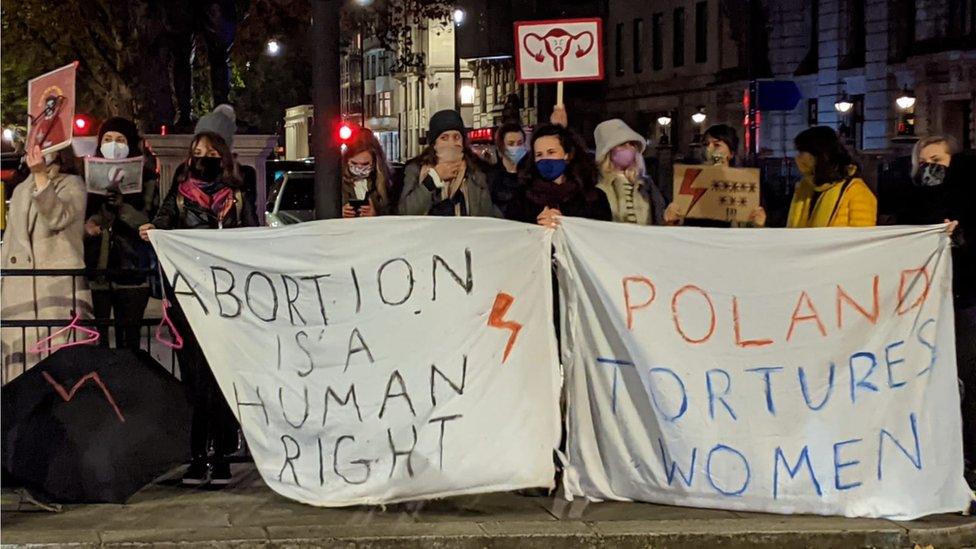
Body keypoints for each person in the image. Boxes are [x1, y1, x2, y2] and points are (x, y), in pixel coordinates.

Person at [139, 131, 257, 486]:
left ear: (223, 157)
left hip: (224, 300)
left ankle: (221, 455)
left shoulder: (235, 198)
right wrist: (151, 232)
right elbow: (161, 229)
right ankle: (196, 456)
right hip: (188, 299)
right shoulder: (178, 198)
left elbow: (251, 237)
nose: (202, 157)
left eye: (210, 152)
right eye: (197, 152)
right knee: (193, 379)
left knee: (220, 377)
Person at [901, 135, 975, 487]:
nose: (931, 167)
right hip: (925, 304)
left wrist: (958, 235)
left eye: (939, 161)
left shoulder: (967, 199)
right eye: (924, 160)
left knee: (966, 375)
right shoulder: (911, 200)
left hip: (963, 300)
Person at [1, 145, 91, 382]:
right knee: (20, 376)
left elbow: (57, 217)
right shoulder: (21, 189)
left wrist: (41, 175)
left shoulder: (72, 184)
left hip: (57, 293)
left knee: (61, 375)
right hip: (20, 296)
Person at [84, 117, 159, 350]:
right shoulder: (87, 175)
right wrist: (90, 225)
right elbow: (84, 214)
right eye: (107, 139)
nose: (113, 144)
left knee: (130, 338)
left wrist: (123, 206)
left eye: (119, 139)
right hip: (99, 269)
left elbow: (149, 220)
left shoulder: (147, 178)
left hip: (132, 268)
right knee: (99, 336)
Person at [506, 123, 611, 227]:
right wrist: (536, 225)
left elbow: (600, 235)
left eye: (551, 152)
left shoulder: (592, 197)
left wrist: (565, 224)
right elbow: (513, 235)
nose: (545, 159)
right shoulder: (521, 199)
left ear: (567, 155)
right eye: (539, 154)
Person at [398, 110, 498, 217]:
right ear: (434, 144)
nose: (451, 143)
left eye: (456, 137)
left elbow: (488, 215)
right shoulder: (415, 169)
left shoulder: (475, 172)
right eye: (444, 138)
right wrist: (434, 178)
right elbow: (406, 212)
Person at [664, 124, 766, 227]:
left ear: (731, 153)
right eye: (706, 144)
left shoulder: (746, 183)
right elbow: (678, 229)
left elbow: (752, 235)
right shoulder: (690, 180)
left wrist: (758, 224)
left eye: (717, 145)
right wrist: (671, 221)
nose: (709, 149)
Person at [786, 126, 876, 228]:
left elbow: (862, 241)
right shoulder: (805, 189)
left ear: (818, 154)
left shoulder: (857, 192)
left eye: (801, 152)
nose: (797, 157)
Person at [593, 119, 665, 226]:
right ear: (608, 152)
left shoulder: (646, 186)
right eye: (622, 145)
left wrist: (670, 217)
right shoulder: (596, 184)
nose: (629, 148)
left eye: (632, 144)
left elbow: (659, 217)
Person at [340, 129, 391, 218]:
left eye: (365, 164)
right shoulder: (335, 183)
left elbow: (395, 212)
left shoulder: (385, 183)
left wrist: (376, 214)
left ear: (375, 162)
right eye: (354, 163)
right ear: (346, 160)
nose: (359, 168)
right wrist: (338, 212)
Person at [488, 123, 528, 216]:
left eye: (520, 143)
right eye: (511, 144)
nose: (516, 147)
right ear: (501, 148)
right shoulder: (491, 179)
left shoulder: (530, 175)